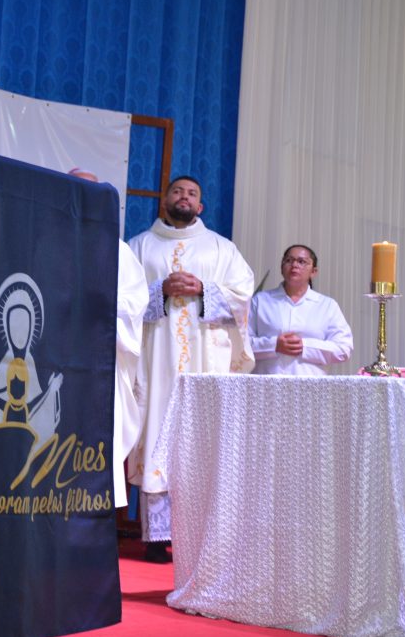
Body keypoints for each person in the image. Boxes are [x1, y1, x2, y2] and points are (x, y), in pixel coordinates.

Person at [127, 175, 255, 562]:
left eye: (192, 193)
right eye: (177, 191)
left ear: (200, 206)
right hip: (156, 358)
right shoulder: (139, 246)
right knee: (156, 431)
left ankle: (199, 537)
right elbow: (122, 297)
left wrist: (204, 289)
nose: (184, 197)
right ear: (165, 200)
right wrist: (159, 291)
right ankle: (156, 538)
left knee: (201, 440)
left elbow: (243, 296)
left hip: (205, 359)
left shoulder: (221, 248)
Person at [68, 168, 149, 509]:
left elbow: (136, 301)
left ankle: (92, 517)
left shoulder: (118, 251)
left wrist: (99, 301)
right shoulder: (44, 239)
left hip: (99, 355)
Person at [249, 244, 353, 375]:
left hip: (311, 384)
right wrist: (273, 345)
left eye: (302, 261)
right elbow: (241, 345)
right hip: (266, 383)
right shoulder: (260, 301)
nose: (294, 265)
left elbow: (344, 349)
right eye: (289, 260)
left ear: (313, 272)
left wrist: (305, 346)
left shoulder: (327, 305)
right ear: (281, 268)